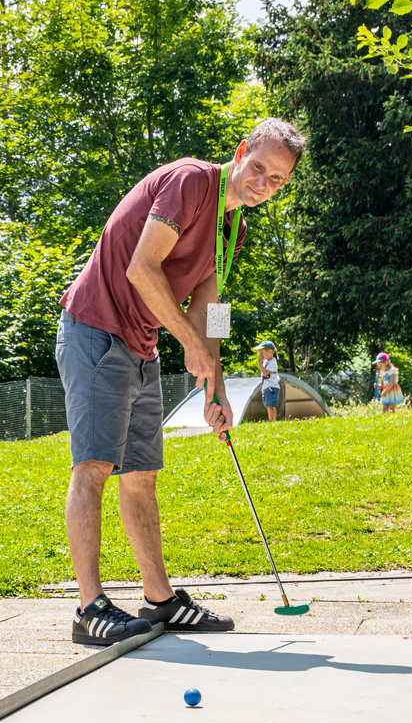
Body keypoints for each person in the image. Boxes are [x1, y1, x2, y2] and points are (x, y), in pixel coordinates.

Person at [56, 117, 307, 645]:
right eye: (258, 167)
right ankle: (88, 608)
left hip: (141, 342)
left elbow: (209, 310)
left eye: (277, 179)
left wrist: (217, 387)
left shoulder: (232, 228)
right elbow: (141, 268)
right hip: (96, 330)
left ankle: (160, 601)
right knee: (94, 466)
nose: (263, 183)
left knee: (142, 473)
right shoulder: (192, 182)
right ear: (240, 152)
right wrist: (190, 344)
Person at [256, 340, 280, 421]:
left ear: (270, 351)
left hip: (271, 387)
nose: (261, 355)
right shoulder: (266, 362)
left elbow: (265, 373)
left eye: (262, 353)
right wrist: (263, 386)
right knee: (270, 404)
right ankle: (273, 420)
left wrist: (260, 363)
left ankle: (271, 420)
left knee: (270, 405)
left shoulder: (272, 362)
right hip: (268, 387)